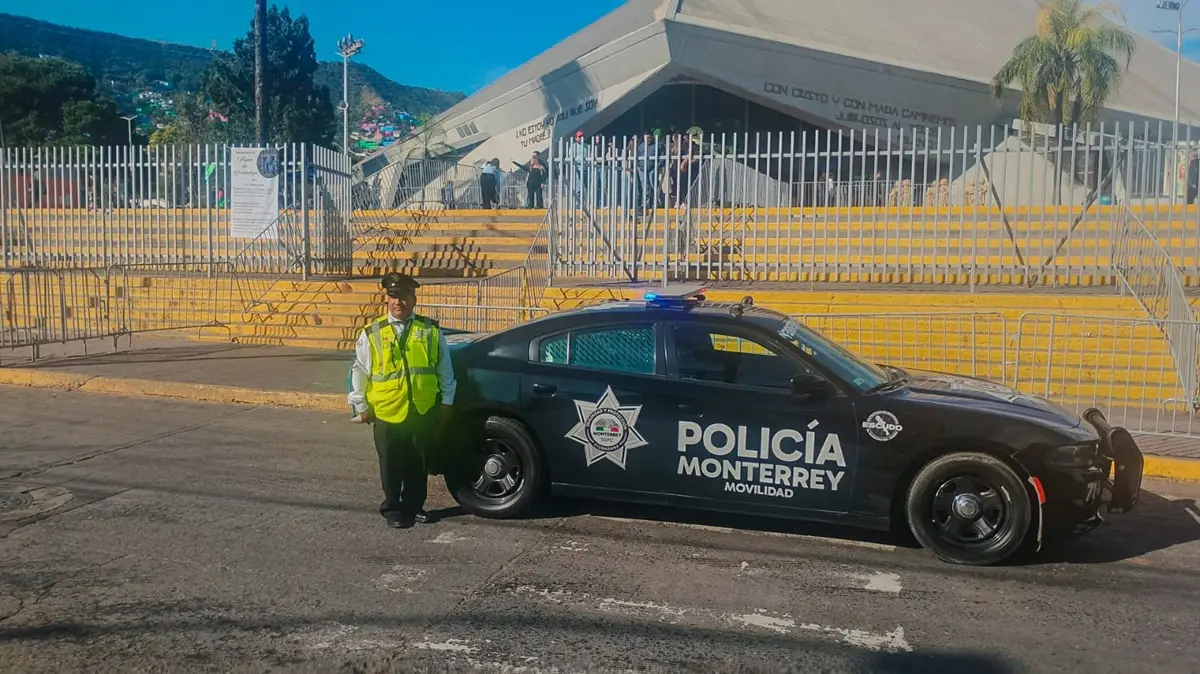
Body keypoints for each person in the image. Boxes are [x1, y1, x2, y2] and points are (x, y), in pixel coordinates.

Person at [348, 272, 457, 529]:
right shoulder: (372, 332)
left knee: (418, 462)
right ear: (387, 300)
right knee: (391, 463)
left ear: (413, 299)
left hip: (421, 408)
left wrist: (447, 401)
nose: (398, 302)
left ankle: (414, 505)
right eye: (393, 297)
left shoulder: (429, 330)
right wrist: (361, 406)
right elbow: (360, 371)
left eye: (404, 296)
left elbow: (444, 368)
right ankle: (393, 508)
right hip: (386, 411)